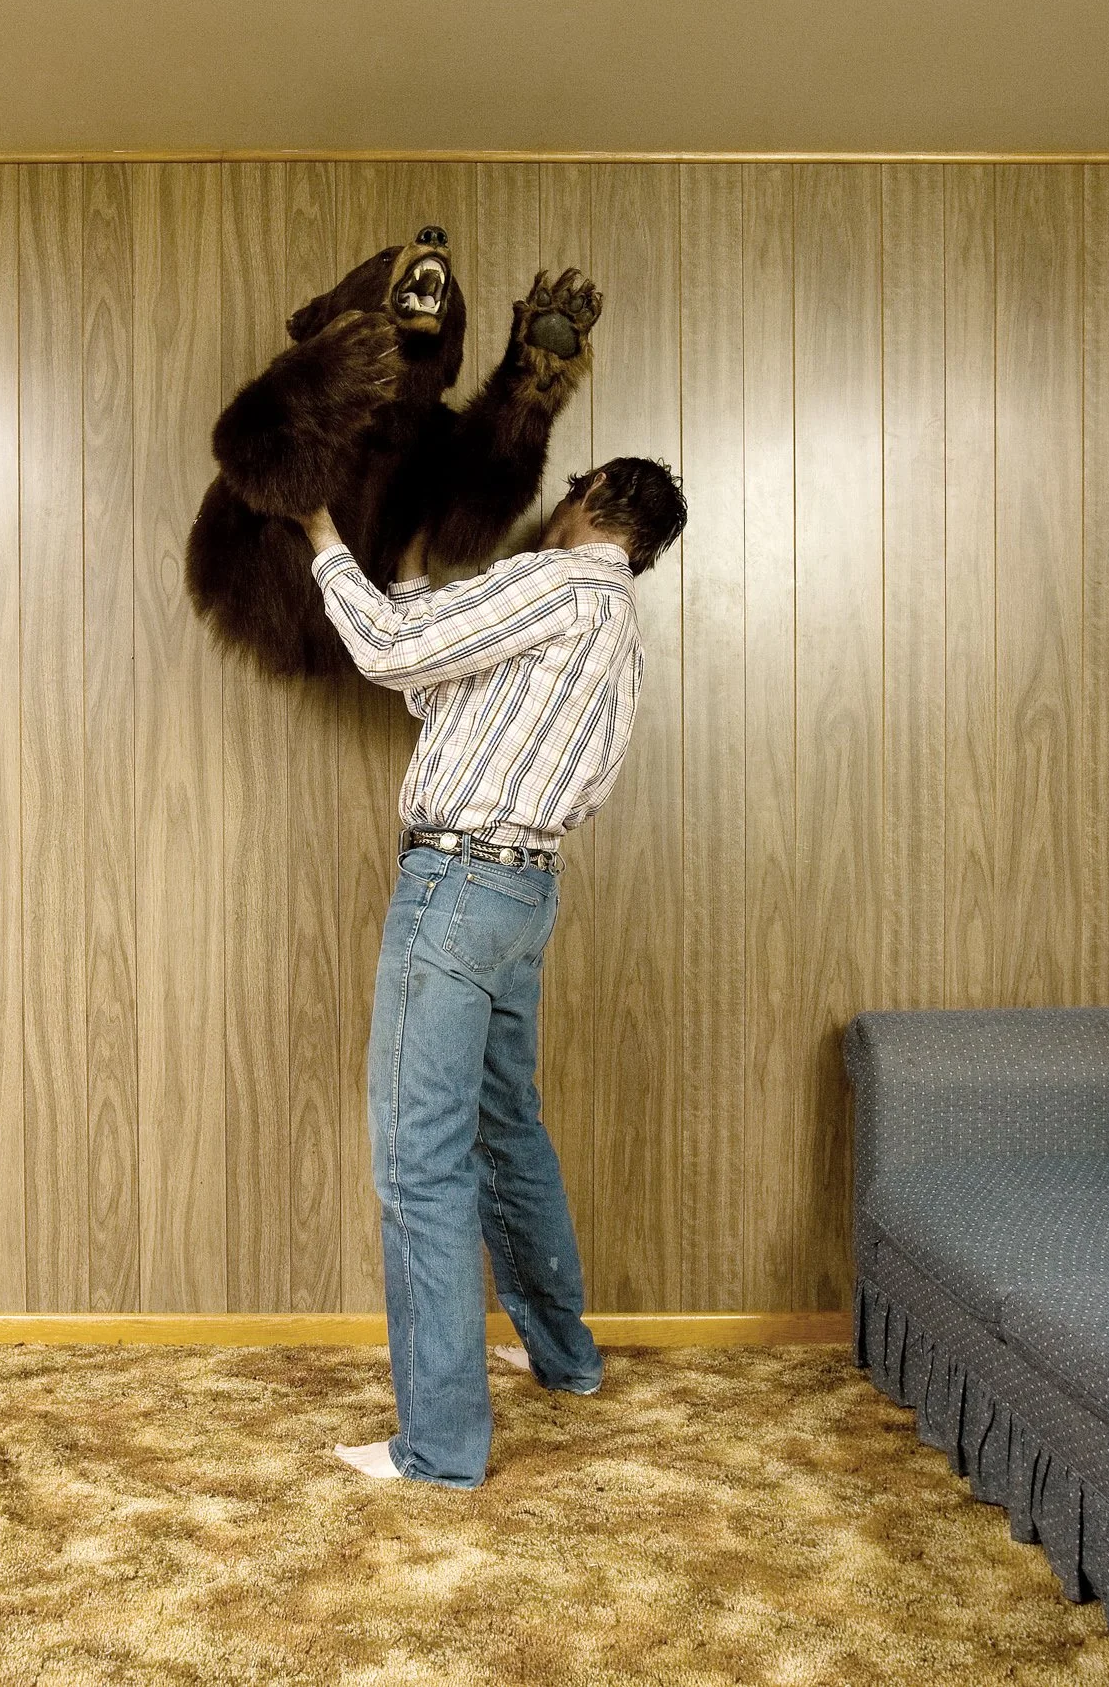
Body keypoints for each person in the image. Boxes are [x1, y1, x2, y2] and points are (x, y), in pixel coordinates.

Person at [300, 458, 689, 1488]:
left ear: (589, 498)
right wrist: (423, 581)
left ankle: (437, 1449)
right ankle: (565, 1359)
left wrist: (318, 535)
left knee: (418, 1162)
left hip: (455, 889)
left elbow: (386, 653)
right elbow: (449, 700)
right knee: (504, 1125)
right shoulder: (617, 640)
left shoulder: (552, 581)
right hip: (523, 898)